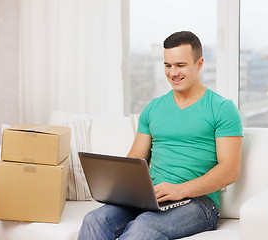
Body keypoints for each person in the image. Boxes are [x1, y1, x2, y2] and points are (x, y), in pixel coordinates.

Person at [78, 31, 243, 240]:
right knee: (94, 220)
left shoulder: (222, 109)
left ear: (199, 63)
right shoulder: (153, 108)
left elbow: (230, 170)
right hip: (151, 197)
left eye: (180, 65)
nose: (173, 73)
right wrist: (118, 184)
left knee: (143, 227)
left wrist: (180, 190)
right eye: (168, 65)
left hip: (199, 203)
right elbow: (136, 158)